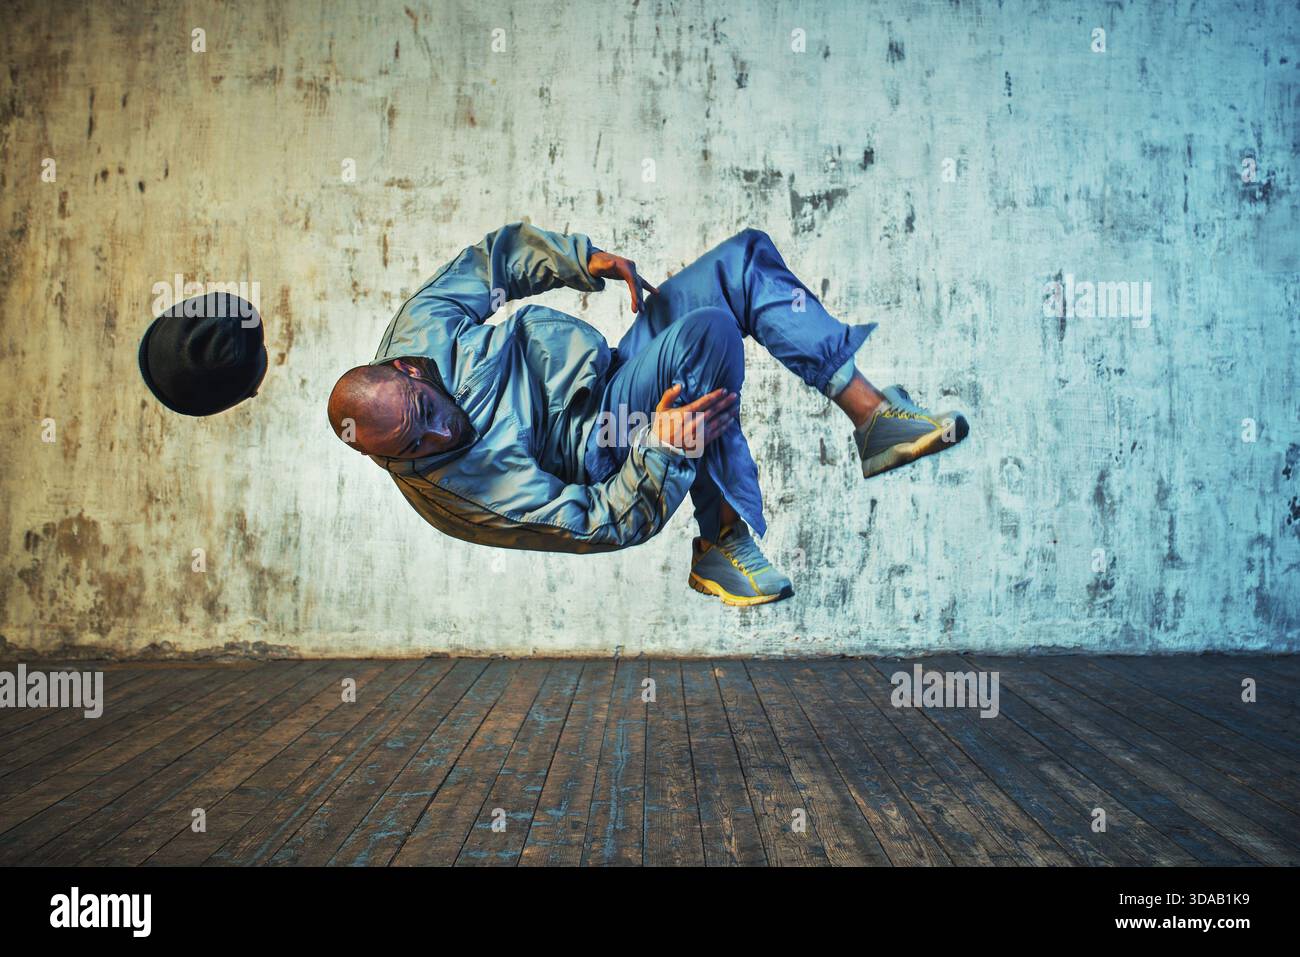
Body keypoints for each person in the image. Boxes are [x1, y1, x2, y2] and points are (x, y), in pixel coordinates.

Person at [328, 223, 968, 606]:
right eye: (415, 445)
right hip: (608, 443)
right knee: (707, 338)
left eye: (428, 411)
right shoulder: (461, 495)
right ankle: (719, 537)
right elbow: (596, 524)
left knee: (741, 260)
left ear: (411, 369)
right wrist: (662, 449)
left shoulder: (421, 330)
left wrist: (579, 260)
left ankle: (874, 418)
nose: (441, 432)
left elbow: (492, 265)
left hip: (607, 373)